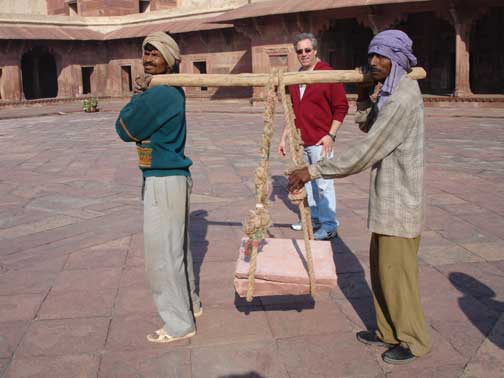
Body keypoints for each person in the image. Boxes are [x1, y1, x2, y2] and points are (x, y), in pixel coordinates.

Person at [288, 30, 432, 364]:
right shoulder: (391, 92)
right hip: (387, 198)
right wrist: (366, 95)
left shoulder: (404, 97)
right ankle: (387, 331)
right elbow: (368, 124)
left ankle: (413, 339)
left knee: (398, 275)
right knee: (382, 270)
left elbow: (366, 150)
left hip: (401, 201)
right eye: (371, 56)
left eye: (381, 57)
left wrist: (314, 171)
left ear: (397, 59)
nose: (373, 62)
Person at [115, 31, 201, 343]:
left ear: (170, 59)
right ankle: (192, 305)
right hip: (170, 178)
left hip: (164, 180)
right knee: (176, 249)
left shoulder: (160, 94)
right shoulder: (170, 89)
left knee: (162, 256)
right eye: (146, 53)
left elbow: (123, 128)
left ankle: (178, 323)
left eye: (155, 54)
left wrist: (137, 95)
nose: (149, 60)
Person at [278, 33, 349, 240]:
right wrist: (284, 138)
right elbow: (292, 112)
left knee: (324, 183)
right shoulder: (295, 77)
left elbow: (341, 107)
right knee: (306, 183)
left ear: (315, 50)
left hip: (320, 141)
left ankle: (329, 225)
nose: (304, 54)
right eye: (299, 51)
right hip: (302, 141)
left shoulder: (327, 74)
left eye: (307, 50)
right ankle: (314, 219)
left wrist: (331, 135)